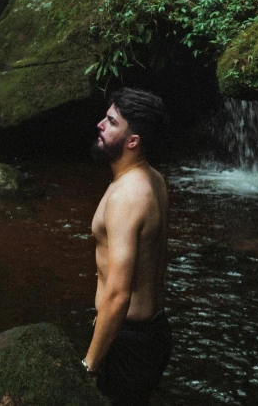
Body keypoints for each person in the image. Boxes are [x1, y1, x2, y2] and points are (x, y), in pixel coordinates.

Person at [82, 87, 172, 406]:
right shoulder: (154, 180)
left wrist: (89, 365)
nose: (100, 125)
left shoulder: (127, 196)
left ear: (133, 141)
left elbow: (119, 293)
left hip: (129, 341)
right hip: (152, 332)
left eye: (111, 121)